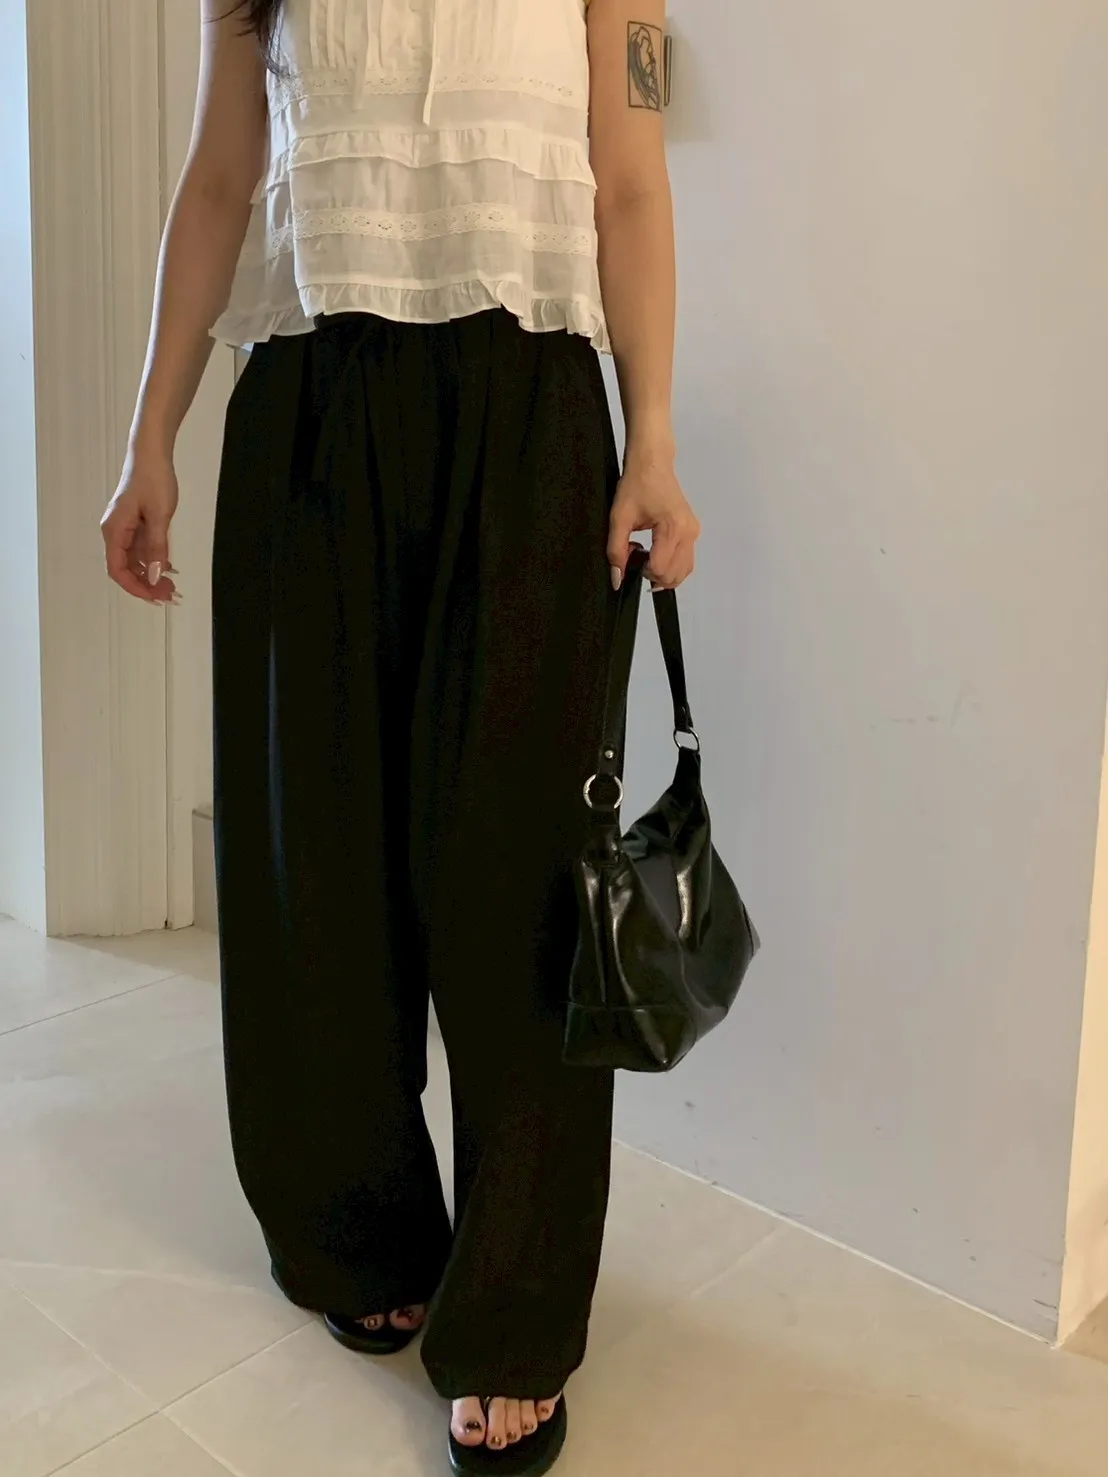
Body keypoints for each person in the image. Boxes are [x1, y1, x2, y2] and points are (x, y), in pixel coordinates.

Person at [100, 1, 699, 1471]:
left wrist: (655, 437)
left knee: (526, 884)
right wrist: (149, 434)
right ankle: (358, 1228)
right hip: (309, 403)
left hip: (530, 408)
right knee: (315, 855)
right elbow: (220, 180)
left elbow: (630, 185)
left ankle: (515, 1316)